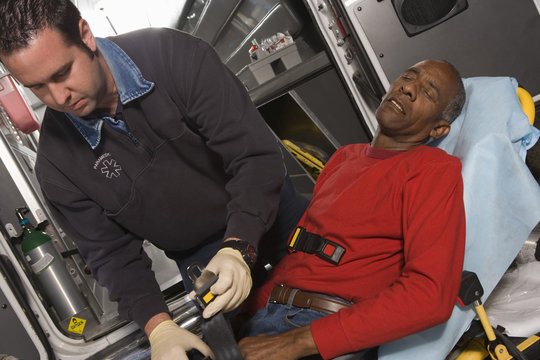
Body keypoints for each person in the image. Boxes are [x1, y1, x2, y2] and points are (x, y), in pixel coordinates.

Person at [0, 0, 308, 359]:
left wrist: (238, 245)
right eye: (37, 88)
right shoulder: (57, 166)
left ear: (86, 36)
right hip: (202, 262)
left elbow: (254, 157)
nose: (58, 97)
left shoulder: (173, 56)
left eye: (62, 73)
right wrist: (158, 327)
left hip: (281, 222)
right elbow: (112, 256)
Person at [238, 59, 467, 360]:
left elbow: (429, 295)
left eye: (427, 92)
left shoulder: (432, 170)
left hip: (316, 328)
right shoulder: (345, 158)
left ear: (438, 128)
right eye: (408, 76)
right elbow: (300, 257)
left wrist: (297, 343)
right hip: (268, 317)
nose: (408, 87)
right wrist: (244, 316)